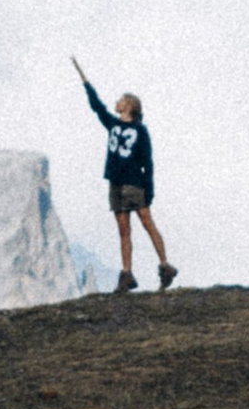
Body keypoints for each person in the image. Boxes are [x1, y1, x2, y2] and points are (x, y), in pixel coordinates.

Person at [74, 58, 175, 293]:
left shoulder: (140, 131)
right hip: (116, 183)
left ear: (129, 105)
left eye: (121, 99)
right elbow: (97, 107)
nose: (116, 102)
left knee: (146, 223)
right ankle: (127, 274)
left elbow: (147, 162)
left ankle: (164, 265)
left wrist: (148, 190)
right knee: (123, 229)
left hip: (134, 184)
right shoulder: (112, 124)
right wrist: (86, 84)